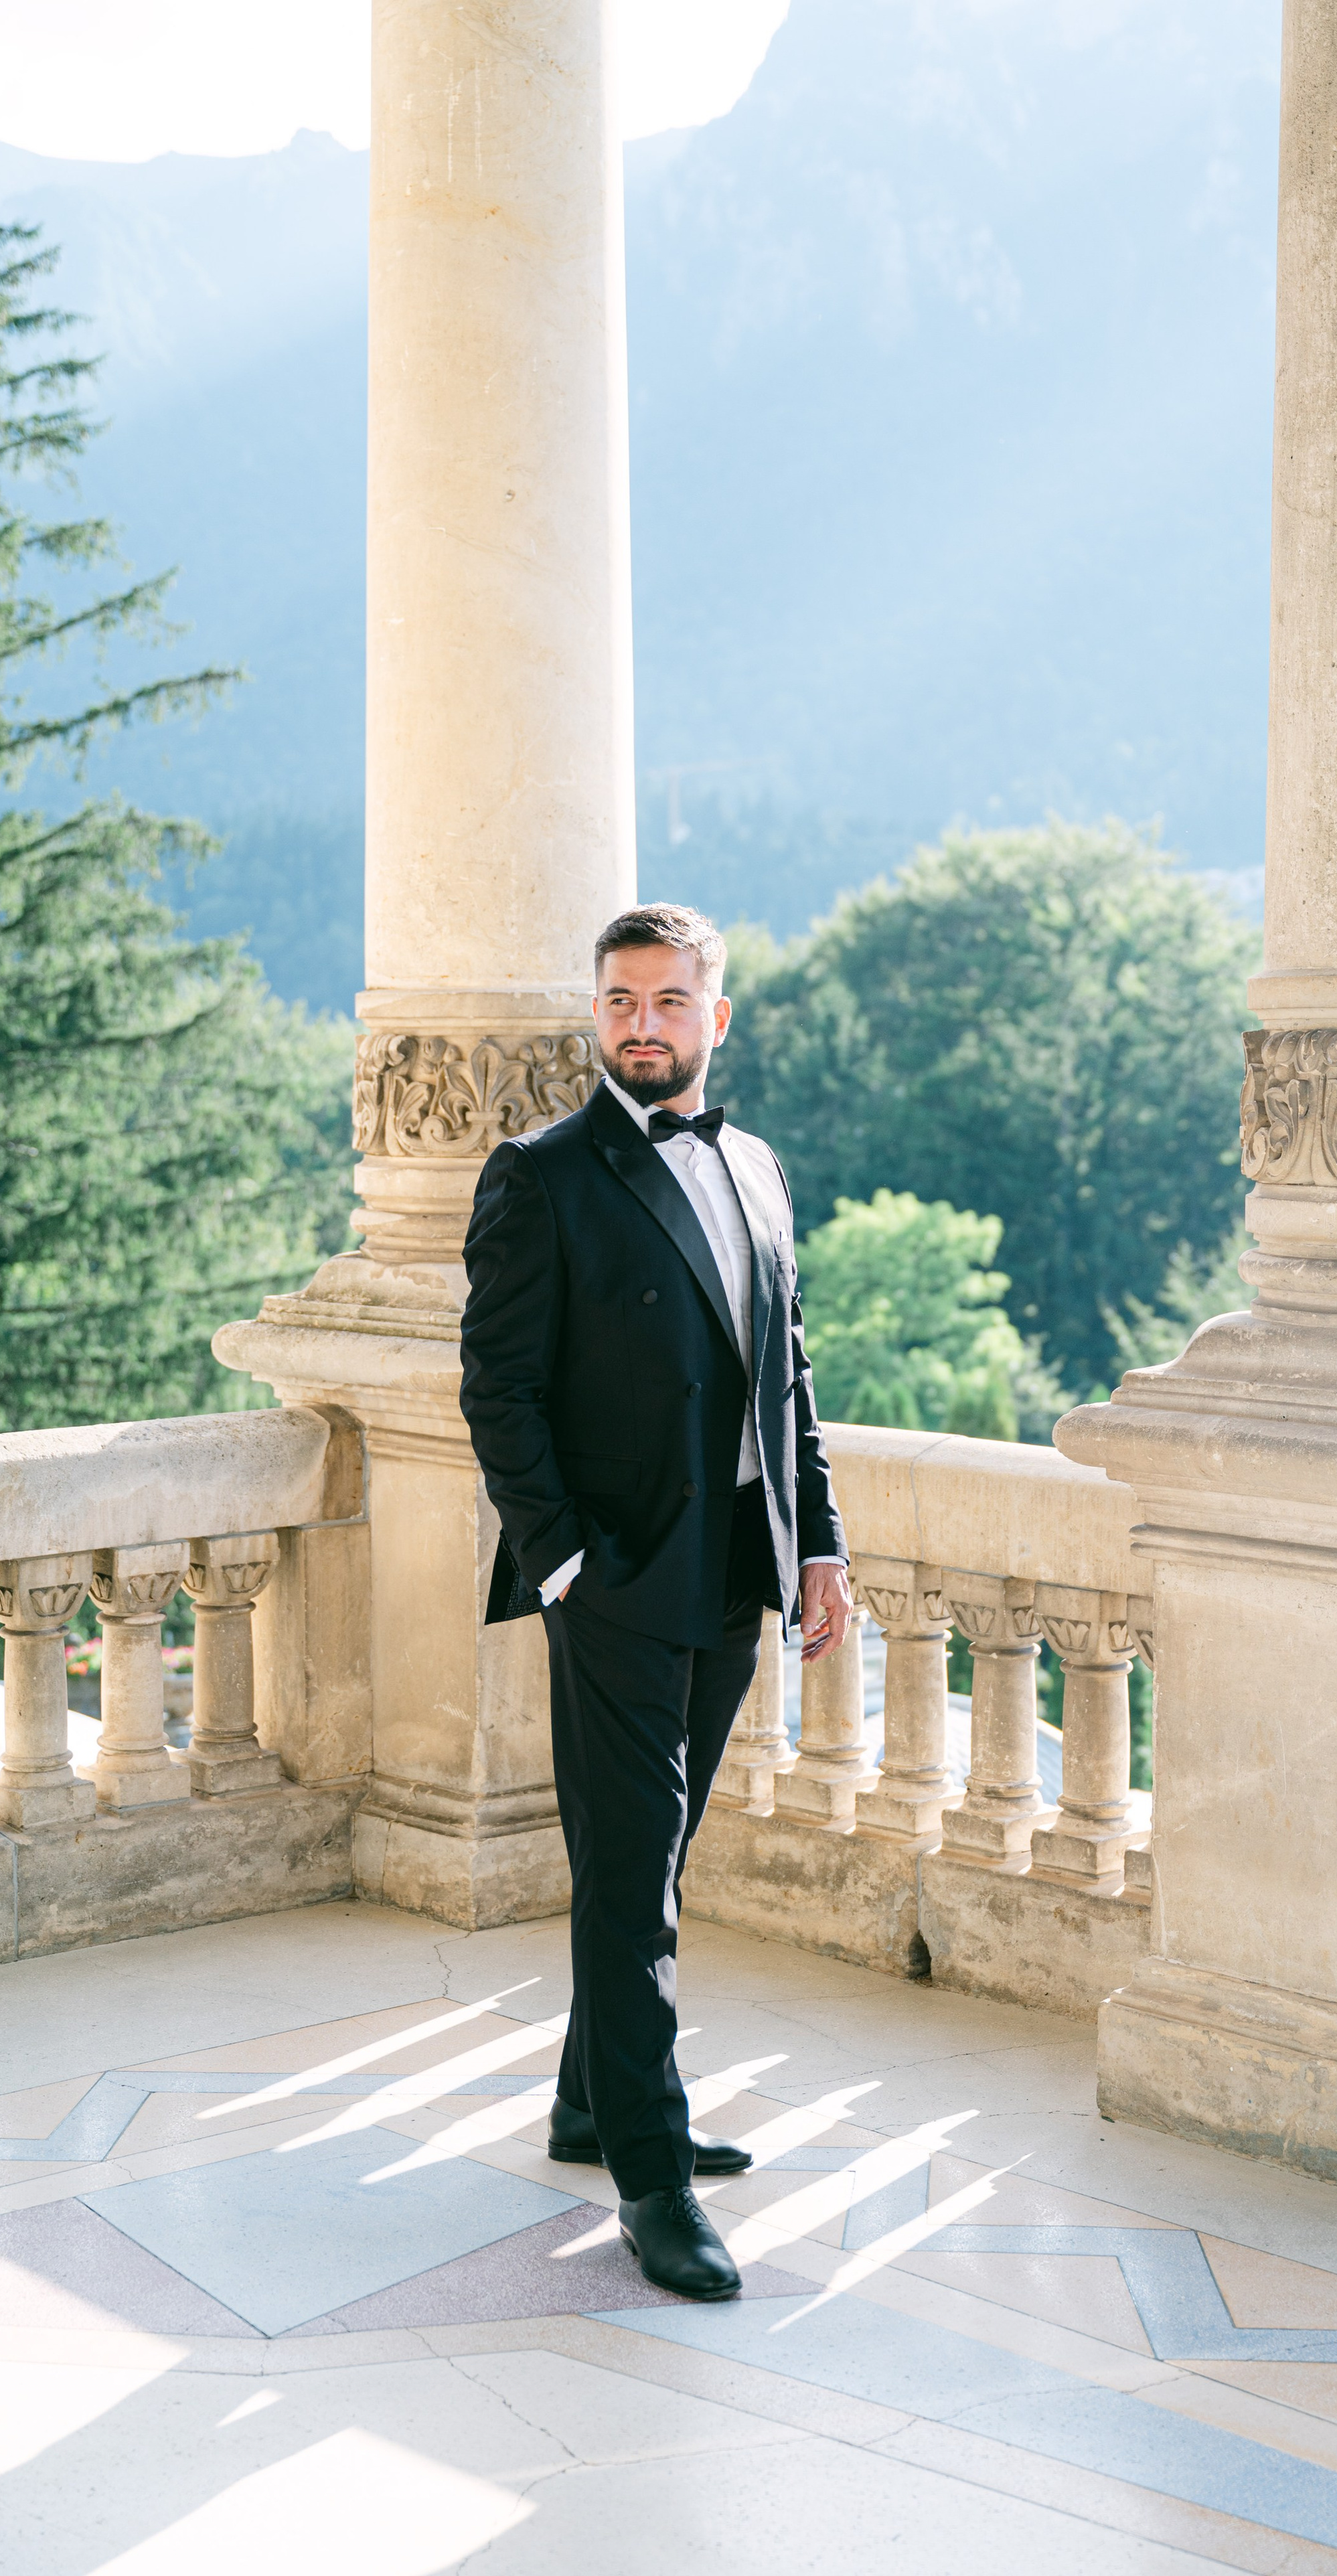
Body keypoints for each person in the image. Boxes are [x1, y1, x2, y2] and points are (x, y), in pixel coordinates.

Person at [459, 903, 852, 2300]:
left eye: (669, 1003)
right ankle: (649, 2173)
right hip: (617, 1583)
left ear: (714, 1018)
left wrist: (819, 1547)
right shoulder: (540, 1177)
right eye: (621, 1001)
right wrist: (562, 1562)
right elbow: (495, 1389)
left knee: (656, 1857)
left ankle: (584, 2098)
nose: (642, 1024)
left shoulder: (752, 1165)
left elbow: (786, 1373)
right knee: (635, 1890)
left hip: (735, 1571)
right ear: (598, 1015)